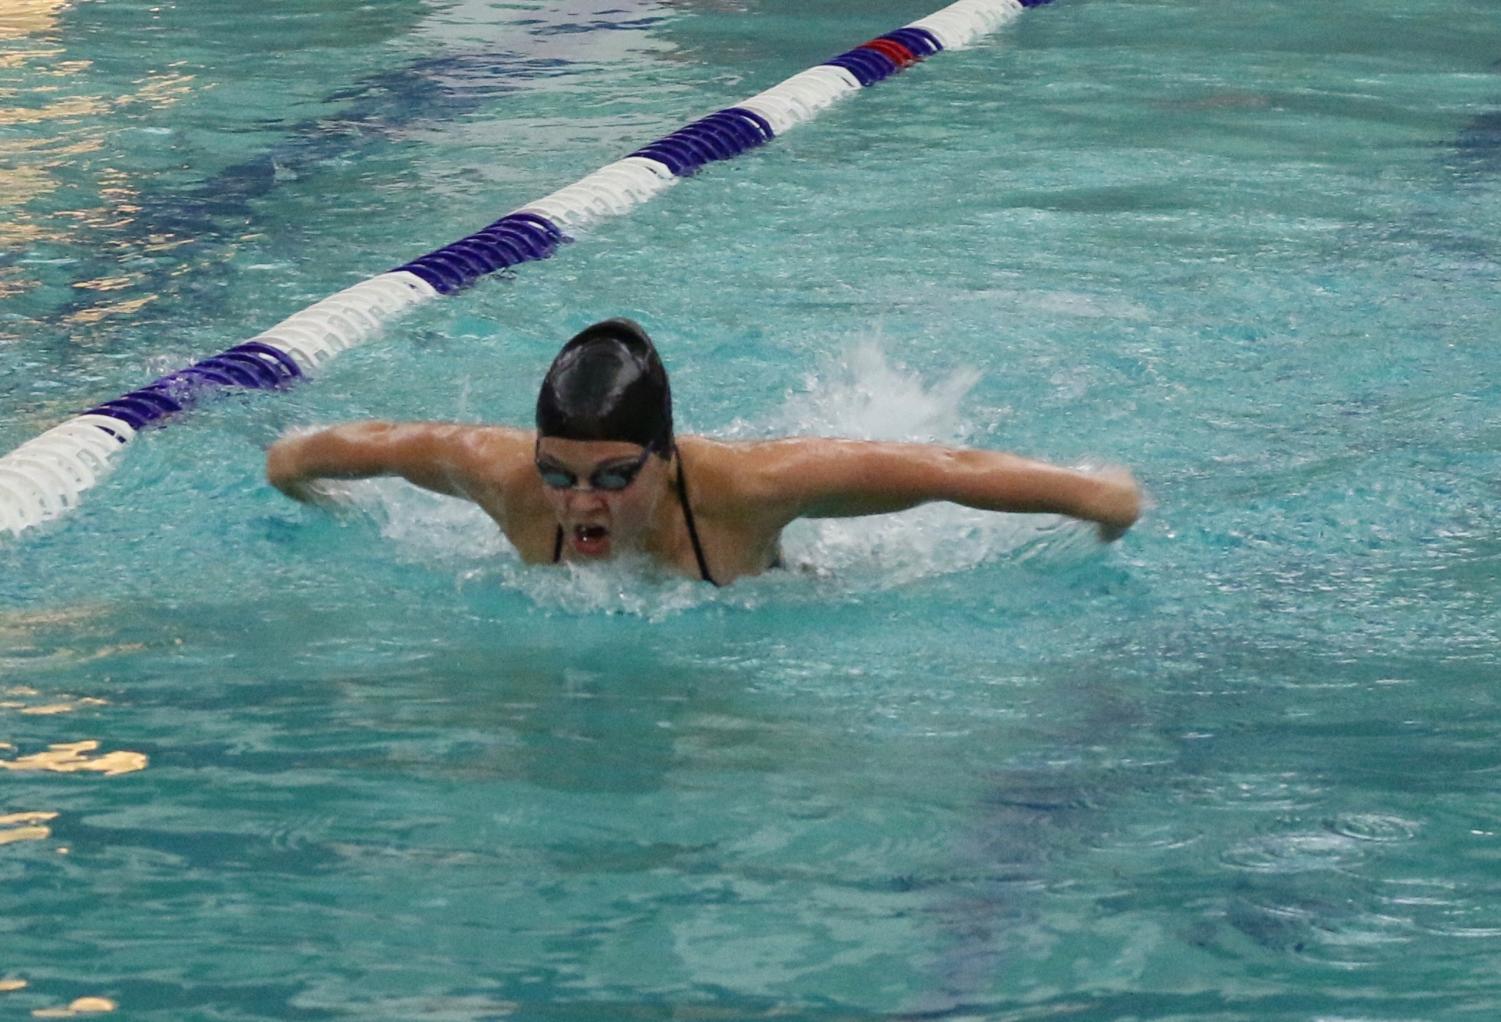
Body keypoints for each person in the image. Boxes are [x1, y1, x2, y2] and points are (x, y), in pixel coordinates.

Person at [266, 319, 1142, 586]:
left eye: (614, 477)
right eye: (559, 476)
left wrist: (1097, 499)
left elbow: (948, 474)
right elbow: (345, 450)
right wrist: (307, 489)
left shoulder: (752, 486)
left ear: (666, 459)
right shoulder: (502, 479)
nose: (580, 504)